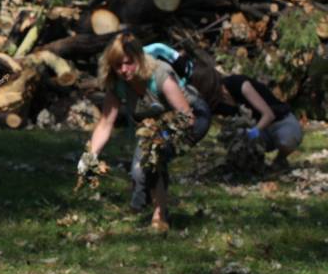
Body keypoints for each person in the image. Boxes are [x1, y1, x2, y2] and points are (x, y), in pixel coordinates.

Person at [79, 33, 210, 232]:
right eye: (117, 66)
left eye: (128, 63)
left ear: (138, 58)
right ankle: (145, 202)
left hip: (193, 117)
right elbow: (106, 123)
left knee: (155, 156)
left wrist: (162, 139)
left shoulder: (160, 74)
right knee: (139, 170)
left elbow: (187, 117)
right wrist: (90, 156)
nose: (123, 70)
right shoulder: (117, 84)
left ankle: (160, 215)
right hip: (155, 126)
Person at [191, 67, 303, 170]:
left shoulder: (239, 84)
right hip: (257, 130)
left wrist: (252, 134)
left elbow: (268, 115)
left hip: (279, 120)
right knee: (238, 141)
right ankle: (254, 165)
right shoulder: (214, 103)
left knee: (287, 141)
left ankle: (280, 159)